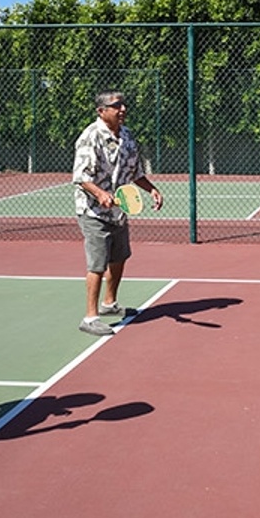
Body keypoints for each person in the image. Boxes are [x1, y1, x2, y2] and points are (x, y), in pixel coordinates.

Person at [73, 91, 163, 336]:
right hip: (93, 212)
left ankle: (109, 304)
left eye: (124, 104)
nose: (122, 109)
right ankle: (90, 318)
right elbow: (81, 176)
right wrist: (100, 194)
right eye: (116, 106)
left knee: (120, 257)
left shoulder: (126, 136)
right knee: (98, 264)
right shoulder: (90, 136)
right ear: (101, 111)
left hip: (119, 211)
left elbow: (135, 172)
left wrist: (151, 189)